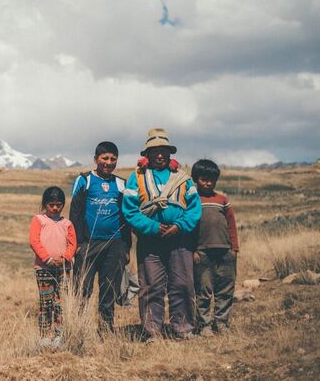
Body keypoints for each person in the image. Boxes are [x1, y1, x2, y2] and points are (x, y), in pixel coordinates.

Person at [122, 128, 202, 341]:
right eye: (155, 151)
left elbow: (194, 209)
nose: (160, 155)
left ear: (169, 153)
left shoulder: (183, 179)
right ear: (146, 154)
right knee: (151, 286)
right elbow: (130, 210)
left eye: (164, 151)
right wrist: (153, 227)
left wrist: (180, 225)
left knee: (182, 283)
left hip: (180, 238)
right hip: (150, 241)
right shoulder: (136, 178)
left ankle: (183, 328)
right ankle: (152, 331)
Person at [69, 141, 132, 332]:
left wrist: (126, 247)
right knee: (83, 288)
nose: (109, 162)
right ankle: (77, 328)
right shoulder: (84, 180)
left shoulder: (121, 184)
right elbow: (75, 213)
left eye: (113, 159)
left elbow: (126, 217)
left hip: (115, 244)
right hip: (88, 244)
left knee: (109, 289)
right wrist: (77, 244)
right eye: (105, 158)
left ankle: (106, 329)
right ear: (96, 159)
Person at [190, 159, 239, 336]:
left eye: (212, 179)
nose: (208, 183)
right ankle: (204, 325)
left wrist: (234, 249)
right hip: (202, 252)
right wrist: (192, 251)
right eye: (204, 179)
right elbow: (188, 228)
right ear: (196, 179)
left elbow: (231, 224)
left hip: (225, 251)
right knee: (203, 290)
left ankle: (222, 322)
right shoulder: (192, 200)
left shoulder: (222, 200)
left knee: (225, 288)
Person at [29, 186, 77, 347]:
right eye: (51, 205)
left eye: (59, 204)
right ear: (45, 205)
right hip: (44, 268)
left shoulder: (67, 223)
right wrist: (48, 259)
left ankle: (60, 334)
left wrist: (65, 259)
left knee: (60, 302)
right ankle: (45, 335)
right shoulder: (38, 220)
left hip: (64, 268)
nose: (55, 208)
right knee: (46, 301)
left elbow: (72, 244)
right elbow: (34, 241)